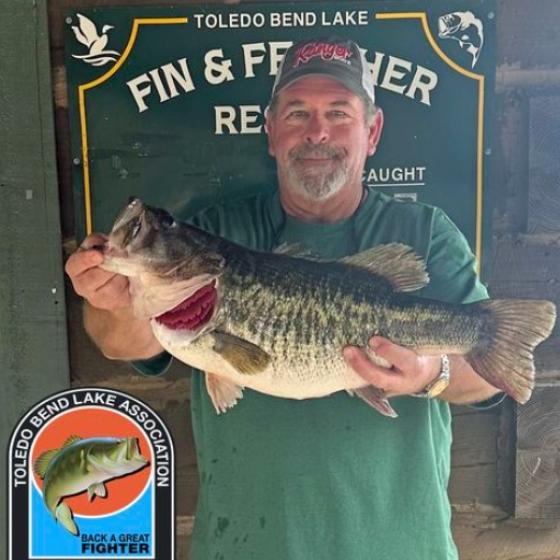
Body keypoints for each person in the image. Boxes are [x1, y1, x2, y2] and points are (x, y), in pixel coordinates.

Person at [66, 36, 502, 560]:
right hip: (243, 545)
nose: (317, 132)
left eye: (338, 113)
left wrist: (430, 375)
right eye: (297, 113)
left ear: (372, 132)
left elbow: (491, 375)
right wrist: (111, 298)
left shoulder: (425, 233)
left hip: (398, 545)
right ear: (271, 131)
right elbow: (121, 343)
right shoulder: (217, 230)